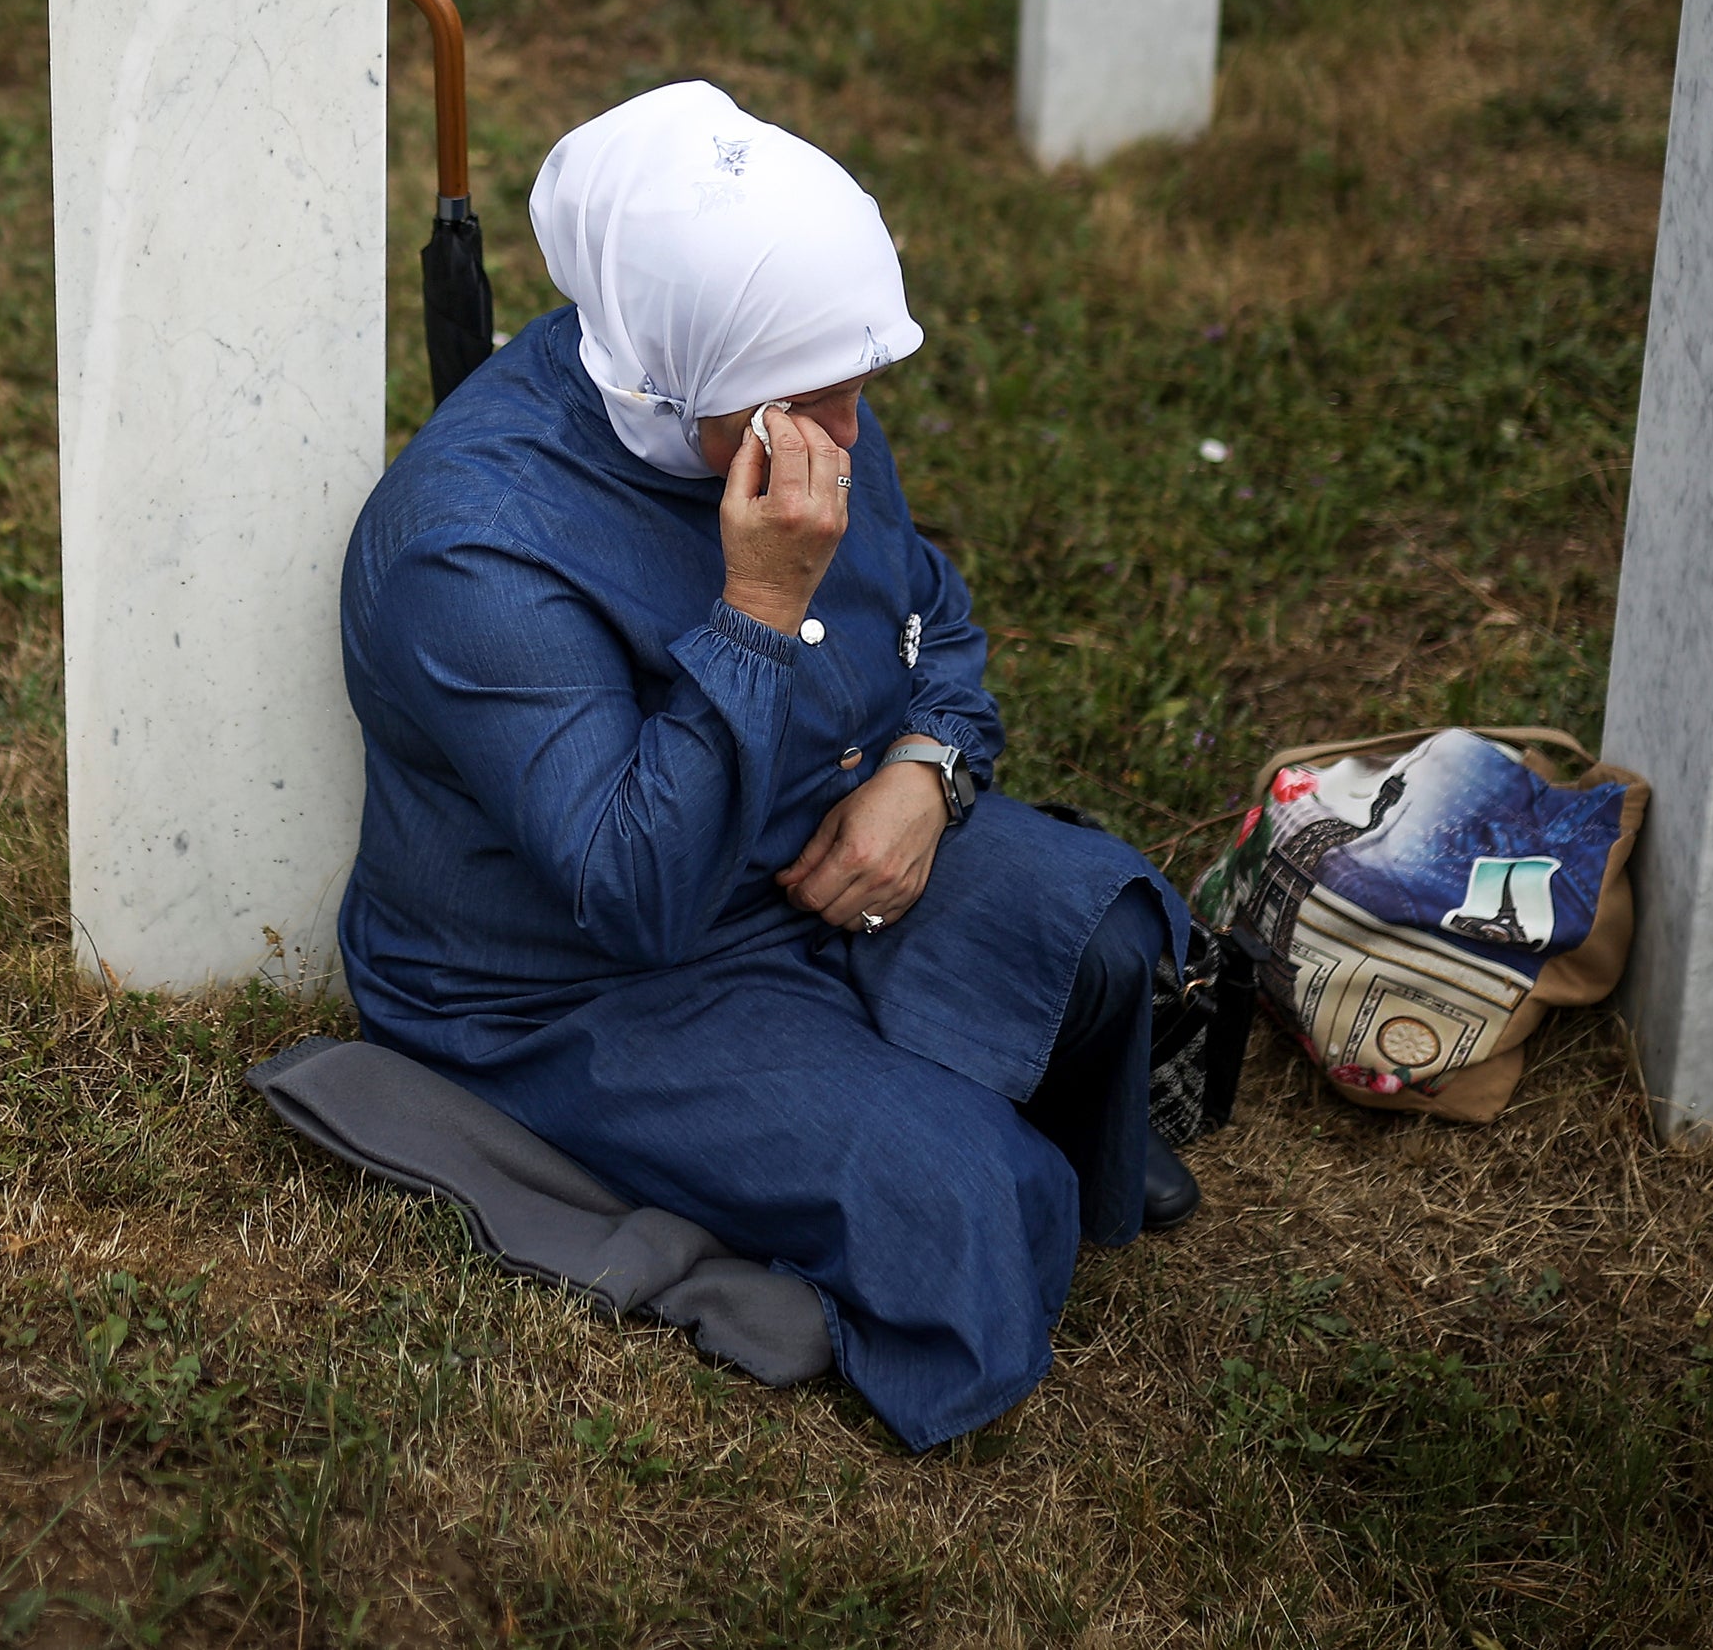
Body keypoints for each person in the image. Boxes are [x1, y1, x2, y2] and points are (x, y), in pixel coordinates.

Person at [336, 81, 1193, 1451]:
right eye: (816, 403)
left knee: (1103, 938)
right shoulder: (471, 552)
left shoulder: (782, 394)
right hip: (578, 982)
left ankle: (893, 1088)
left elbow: (932, 618)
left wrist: (926, 769)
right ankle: (897, 1138)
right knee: (967, 1198)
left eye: (861, 391)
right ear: (683, 368)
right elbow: (631, 896)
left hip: (796, 842)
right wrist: (758, 607)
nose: (847, 439)